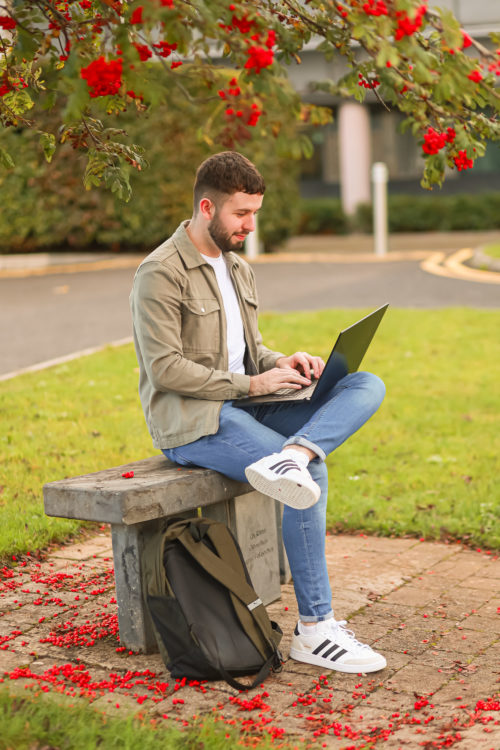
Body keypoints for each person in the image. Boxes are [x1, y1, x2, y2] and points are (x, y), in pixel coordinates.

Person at [130, 151, 387, 673]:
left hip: (248, 404)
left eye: (254, 213)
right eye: (241, 214)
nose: (250, 225)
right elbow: (165, 371)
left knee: (364, 383)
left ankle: (295, 450)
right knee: (307, 475)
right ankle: (315, 630)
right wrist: (253, 382)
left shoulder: (238, 267)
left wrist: (284, 362)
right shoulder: (159, 273)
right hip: (193, 422)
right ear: (207, 208)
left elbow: (248, 349)